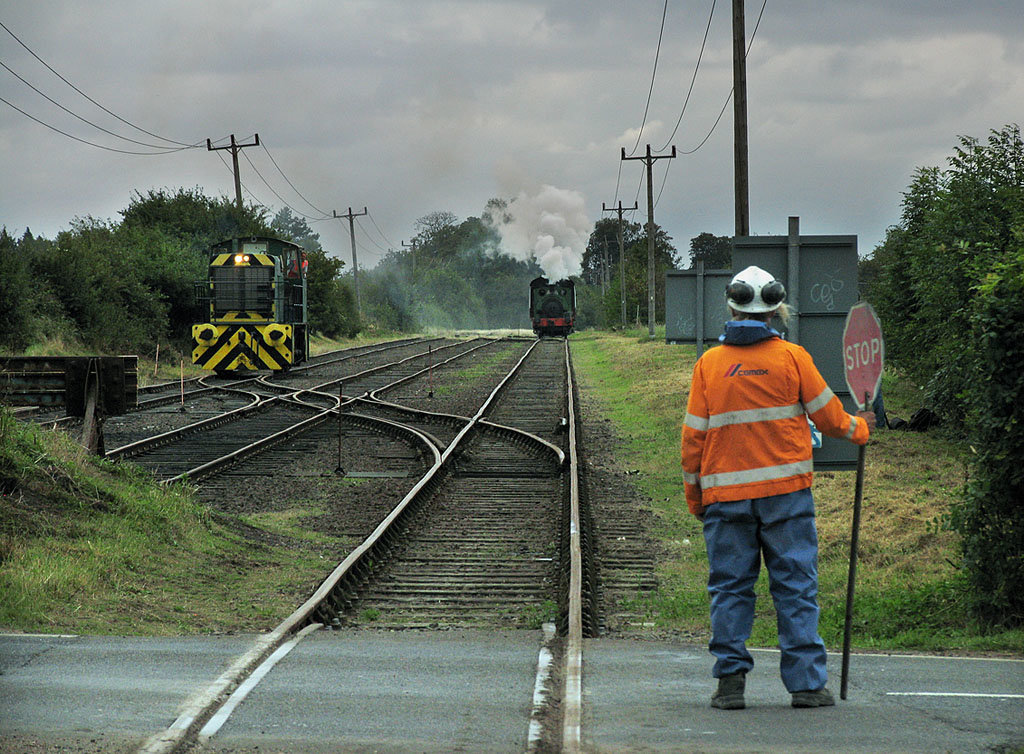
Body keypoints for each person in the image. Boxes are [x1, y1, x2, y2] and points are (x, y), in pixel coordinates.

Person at [681, 265, 875, 710]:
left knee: (730, 589)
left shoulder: (709, 365)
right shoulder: (792, 358)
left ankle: (730, 684)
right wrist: (857, 429)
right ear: (775, 309)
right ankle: (806, 685)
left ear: (731, 306)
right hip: (786, 497)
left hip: (725, 500)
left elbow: (693, 439)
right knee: (795, 586)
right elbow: (827, 417)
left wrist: (696, 496)